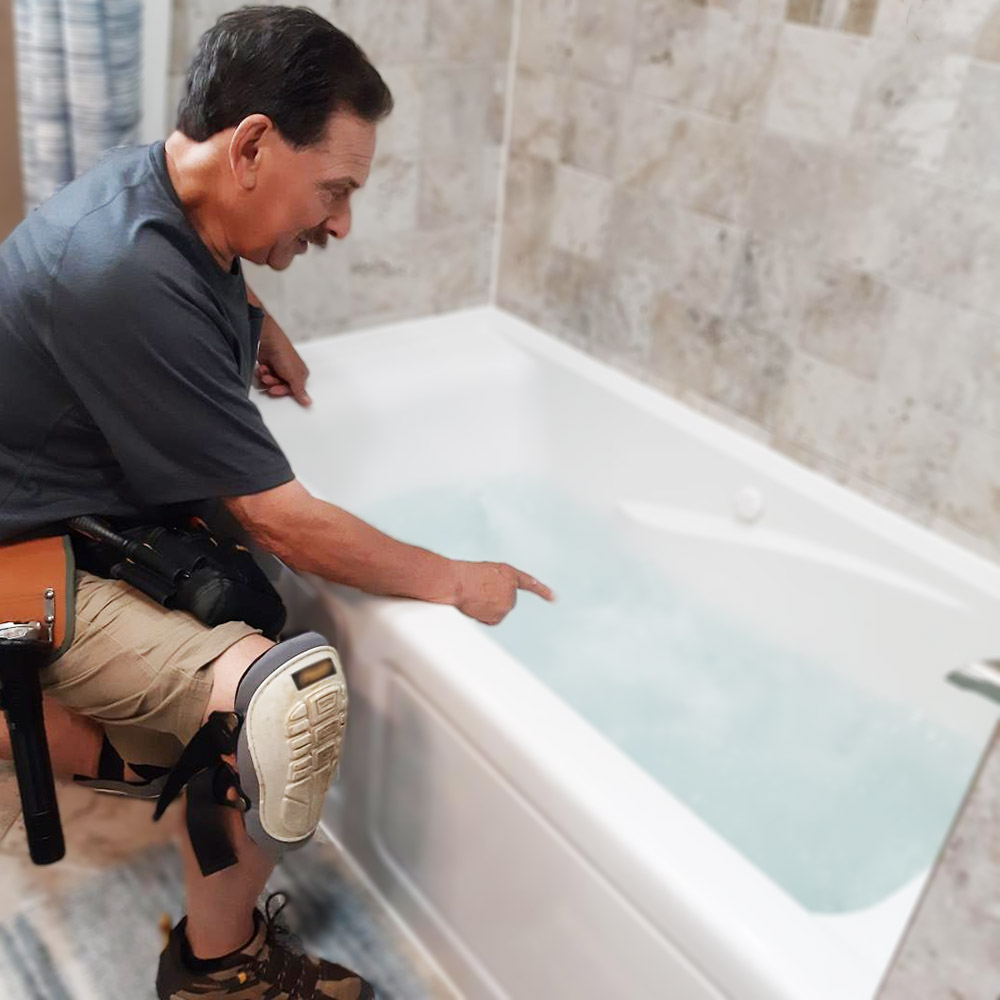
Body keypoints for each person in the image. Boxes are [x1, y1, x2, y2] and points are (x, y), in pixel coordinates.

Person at [0, 7, 553, 999]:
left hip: (82, 514)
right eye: (334, 189)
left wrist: (256, 321)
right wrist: (459, 577)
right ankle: (216, 968)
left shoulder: (162, 192)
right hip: (25, 561)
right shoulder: (120, 268)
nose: (340, 221)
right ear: (252, 144)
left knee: (258, 619)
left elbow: (194, 278)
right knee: (282, 704)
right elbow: (279, 518)